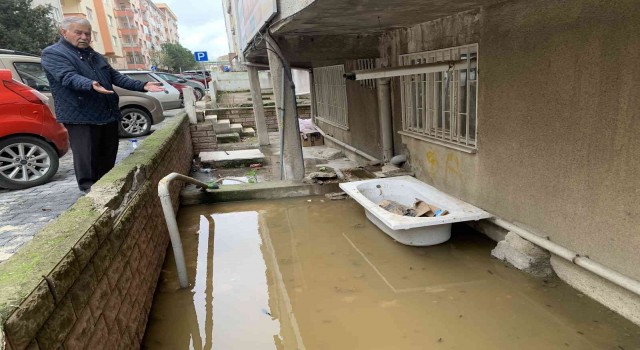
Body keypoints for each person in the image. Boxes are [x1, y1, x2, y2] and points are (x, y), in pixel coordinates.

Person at [41, 17, 165, 193]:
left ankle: (108, 188)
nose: (84, 37)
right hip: (81, 116)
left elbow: (116, 77)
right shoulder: (54, 53)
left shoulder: (95, 56)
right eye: (79, 33)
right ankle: (90, 194)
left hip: (107, 114)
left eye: (87, 34)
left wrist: (142, 85)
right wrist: (90, 84)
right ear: (64, 32)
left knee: (107, 155)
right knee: (88, 158)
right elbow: (67, 76)